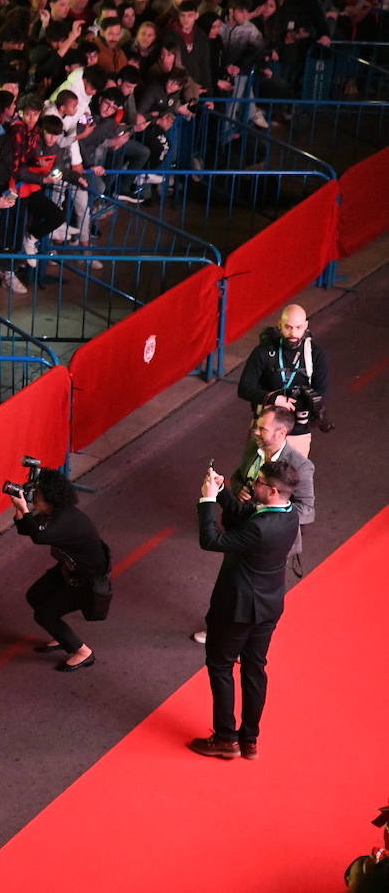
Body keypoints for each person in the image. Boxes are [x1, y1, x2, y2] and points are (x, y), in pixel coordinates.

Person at [190, 459, 301, 762]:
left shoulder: (261, 528)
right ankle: (249, 739)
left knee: (221, 666)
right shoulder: (289, 514)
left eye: (260, 483)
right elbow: (245, 513)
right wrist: (223, 490)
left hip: (237, 607)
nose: (254, 487)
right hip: (269, 604)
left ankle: (226, 739)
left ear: (274, 490)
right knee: (254, 668)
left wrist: (208, 500)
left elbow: (211, 539)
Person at [193, 406, 315, 644]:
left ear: (281, 433)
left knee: (254, 595)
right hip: (242, 528)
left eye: (262, 428)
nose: (255, 431)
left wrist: (269, 513)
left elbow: (307, 510)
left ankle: (240, 640)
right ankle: (219, 628)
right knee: (229, 585)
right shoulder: (254, 448)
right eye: (256, 425)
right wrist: (238, 491)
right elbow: (239, 477)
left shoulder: (300, 467)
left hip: (268, 540)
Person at [9, 469, 111, 672]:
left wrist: (25, 509)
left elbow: (40, 537)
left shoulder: (66, 520)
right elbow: (27, 529)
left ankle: (83, 653)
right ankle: (60, 636)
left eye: (37, 495)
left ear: (50, 499)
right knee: (35, 595)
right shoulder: (55, 512)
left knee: (44, 614)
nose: (33, 498)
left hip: (85, 581)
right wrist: (20, 510)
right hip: (68, 570)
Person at [236, 304, 330, 458]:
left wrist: (293, 404)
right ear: (279, 325)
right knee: (249, 477)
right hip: (264, 429)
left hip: (297, 432)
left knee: (292, 479)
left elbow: (320, 394)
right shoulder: (264, 352)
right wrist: (275, 399)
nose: (293, 333)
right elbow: (244, 388)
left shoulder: (316, 355)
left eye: (299, 327)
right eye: (288, 327)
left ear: (306, 325)